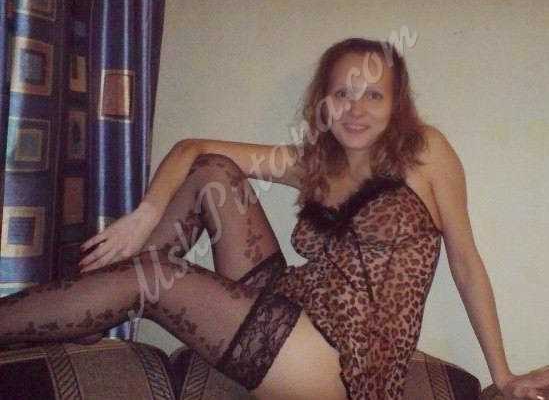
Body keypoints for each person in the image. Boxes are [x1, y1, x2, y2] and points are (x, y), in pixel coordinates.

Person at [0, 38, 548, 400]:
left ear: (396, 102)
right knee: (214, 171)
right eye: (342, 94)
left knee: (152, 279)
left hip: (342, 360)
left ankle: (113, 297)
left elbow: (465, 262)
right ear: (324, 103)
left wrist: (501, 375)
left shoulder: (425, 152)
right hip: (292, 308)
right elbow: (195, 149)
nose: (356, 109)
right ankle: (112, 300)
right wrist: (146, 214)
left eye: (373, 95)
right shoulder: (315, 163)